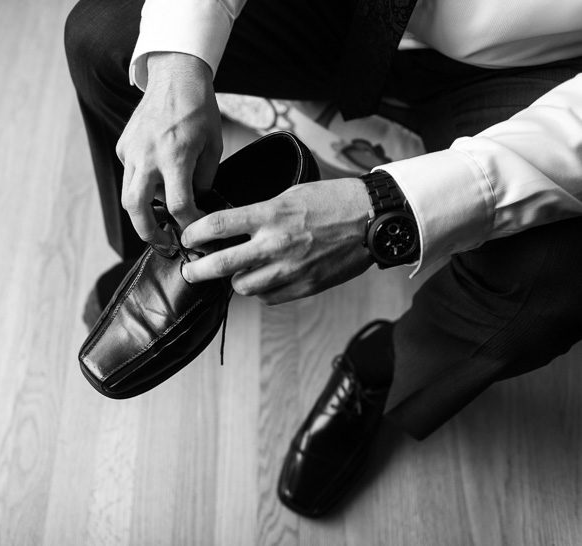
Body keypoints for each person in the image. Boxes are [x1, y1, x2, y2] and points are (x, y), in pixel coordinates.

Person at [64, 0, 582, 516]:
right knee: (103, 35)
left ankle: (385, 365)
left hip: (540, 69)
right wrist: (177, 67)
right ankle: (157, 242)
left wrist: (385, 209)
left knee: (548, 280)